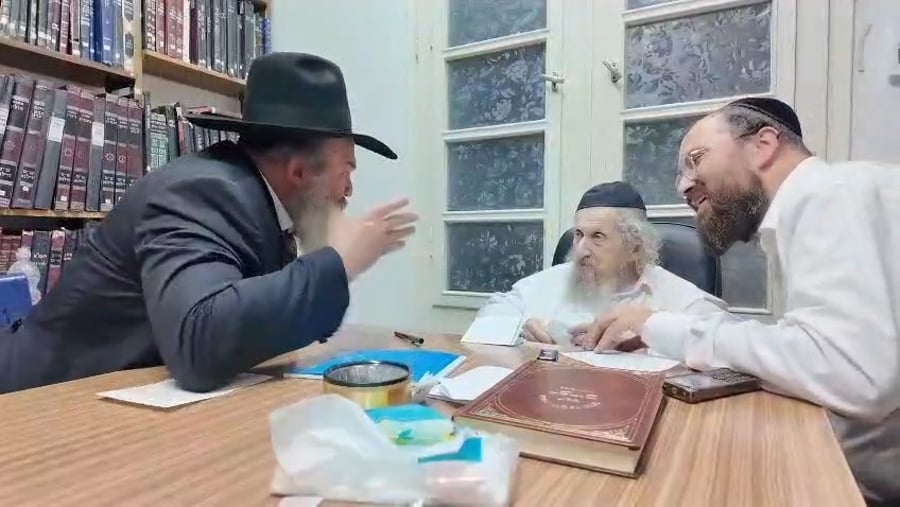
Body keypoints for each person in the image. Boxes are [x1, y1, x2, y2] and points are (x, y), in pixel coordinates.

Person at [0, 53, 417, 394]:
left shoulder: (258, 202)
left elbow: (249, 326)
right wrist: (340, 262)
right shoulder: (202, 192)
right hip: (37, 410)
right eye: (347, 171)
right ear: (299, 172)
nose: (349, 189)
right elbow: (197, 342)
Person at [581, 97, 900, 505]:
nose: (683, 186)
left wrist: (655, 325)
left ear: (764, 144)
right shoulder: (823, 206)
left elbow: (852, 372)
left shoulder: (828, 194)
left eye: (696, 159)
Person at [467, 181, 726, 347]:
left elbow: (725, 341)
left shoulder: (677, 295)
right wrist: (519, 328)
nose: (580, 249)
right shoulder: (554, 280)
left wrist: (652, 338)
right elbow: (489, 315)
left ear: (635, 247)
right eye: (578, 234)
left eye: (597, 237)